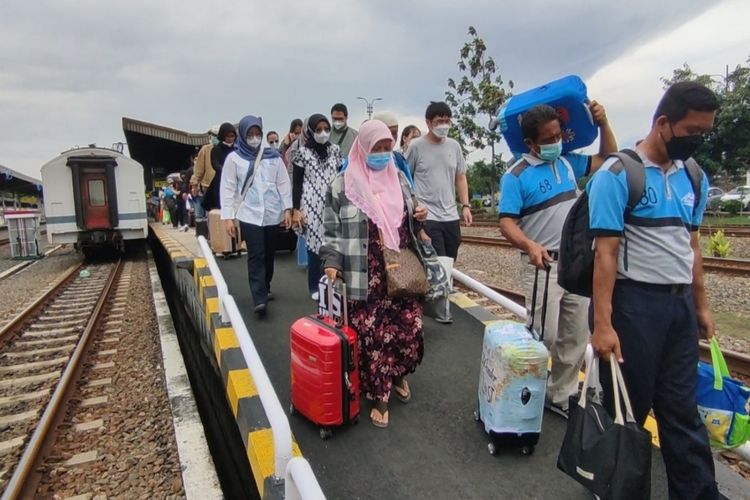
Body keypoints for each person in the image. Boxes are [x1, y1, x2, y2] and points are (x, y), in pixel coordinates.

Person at [588, 81, 719, 499]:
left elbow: (692, 246)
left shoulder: (695, 177)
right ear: (663, 123)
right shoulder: (618, 175)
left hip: (678, 309)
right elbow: (604, 254)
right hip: (633, 309)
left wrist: (701, 306)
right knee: (629, 412)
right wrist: (603, 325)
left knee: (682, 413)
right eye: (692, 131)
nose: (697, 140)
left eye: (705, 132)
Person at [498, 102, 617, 417]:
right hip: (543, 265)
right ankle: (525, 395)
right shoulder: (515, 175)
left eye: (558, 135)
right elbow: (506, 222)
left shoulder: (568, 163)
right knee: (542, 336)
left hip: (575, 263)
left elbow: (608, 159)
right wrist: (529, 244)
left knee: (575, 335)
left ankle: (560, 395)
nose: (556, 142)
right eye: (548, 139)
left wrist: (604, 124)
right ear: (531, 143)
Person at [320, 120, 430, 429]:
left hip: (400, 271)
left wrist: (419, 217)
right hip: (363, 274)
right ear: (363, 148)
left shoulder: (399, 179)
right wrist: (332, 262)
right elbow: (330, 231)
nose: (382, 154)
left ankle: (398, 375)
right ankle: (379, 394)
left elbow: (411, 221)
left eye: (387, 148)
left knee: (408, 329)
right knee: (374, 336)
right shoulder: (342, 185)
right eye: (376, 149)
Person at [220, 115, 292, 315]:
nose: (254, 138)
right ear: (243, 135)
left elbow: (283, 183)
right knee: (256, 254)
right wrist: (228, 217)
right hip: (248, 214)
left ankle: (265, 285)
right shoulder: (234, 159)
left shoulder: (273, 157)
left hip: (271, 213)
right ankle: (258, 297)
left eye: (257, 134)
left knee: (269, 253)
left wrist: (287, 209)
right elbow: (228, 188)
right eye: (249, 134)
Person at [406, 101, 470, 323]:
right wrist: (415, 213)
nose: (444, 125)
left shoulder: (454, 146)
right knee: (438, 260)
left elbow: (460, 176)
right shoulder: (415, 147)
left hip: (451, 215)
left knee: (449, 260)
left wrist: (466, 205)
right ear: (428, 123)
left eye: (446, 121)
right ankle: (442, 311)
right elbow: (406, 178)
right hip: (428, 215)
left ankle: (433, 300)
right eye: (439, 121)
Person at [291, 114, 343, 300]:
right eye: (319, 129)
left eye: (326, 129)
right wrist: (296, 209)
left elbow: (340, 175)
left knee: (332, 242)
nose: (323, 133)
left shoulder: (335, 150)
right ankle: (315, 285)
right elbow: (296, 183)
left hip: (332, 202)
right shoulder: (302, 153)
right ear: (311, 131)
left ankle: (332, 282)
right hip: (311, 203)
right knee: (314, 246)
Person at [372, 111, 415, 188]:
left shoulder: (398, 159)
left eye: (394, 133)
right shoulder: (356, 161)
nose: (391, 136)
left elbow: (410, 189)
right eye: (387, 132)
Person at [201, 123, 236, 213]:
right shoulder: (216, 149)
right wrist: (226, 171)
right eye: (227, 136)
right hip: (220, 180)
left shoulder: (236, 150)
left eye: (232, 136)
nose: (230, 138)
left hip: (234, 180)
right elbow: (215, 164)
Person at [190, 125, 220, 226]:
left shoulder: (226, 149)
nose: (215, 137)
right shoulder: (205, 149)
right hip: (209, 186)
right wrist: (195, 184)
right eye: (213, 135)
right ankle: (213, 236)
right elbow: (199, 169)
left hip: (225, 186)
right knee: (212, 213)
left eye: (217, 135)